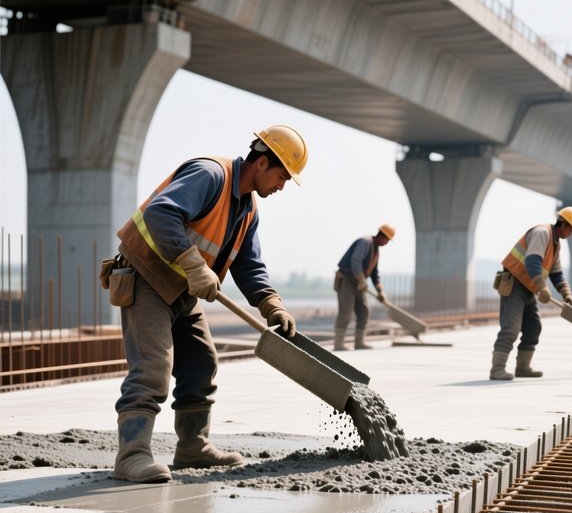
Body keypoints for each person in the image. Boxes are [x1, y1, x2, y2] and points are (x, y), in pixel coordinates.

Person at [107, 125, 308, 483]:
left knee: (202, 362)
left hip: (184, 290)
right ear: (262, 163)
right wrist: (195, 265)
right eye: (281, 176)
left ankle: (192, 447)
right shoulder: (211, 174)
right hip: (147, 277)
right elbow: (160, 213)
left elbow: (248, 265)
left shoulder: (248, 209)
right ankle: (132, 454)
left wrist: (272, 305)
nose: (281, 186)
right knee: (154, 366)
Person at [490, 206, 572, 380]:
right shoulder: (542, 233)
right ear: (565, 225)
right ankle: (497, 369)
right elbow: (532, 261)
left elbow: (556, 274)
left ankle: (523, 367)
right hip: (515, 284)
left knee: (533, 328)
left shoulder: (555, 245)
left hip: (528, 288)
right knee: (511, 329)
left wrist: (566, 294)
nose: (571, 234)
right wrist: (542, 287)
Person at [333, 224, 395, 350]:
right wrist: (361, 279)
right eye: (387, 240)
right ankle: (338, 344)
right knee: (346, 313)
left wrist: (380, 290)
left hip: (358, 284)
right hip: (347, 280)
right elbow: (355, 261)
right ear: (382, 237)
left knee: (364, 311)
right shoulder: (365, 242)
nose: (387, 243)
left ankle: (359, 342)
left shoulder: (375, 250)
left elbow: (374, 273)